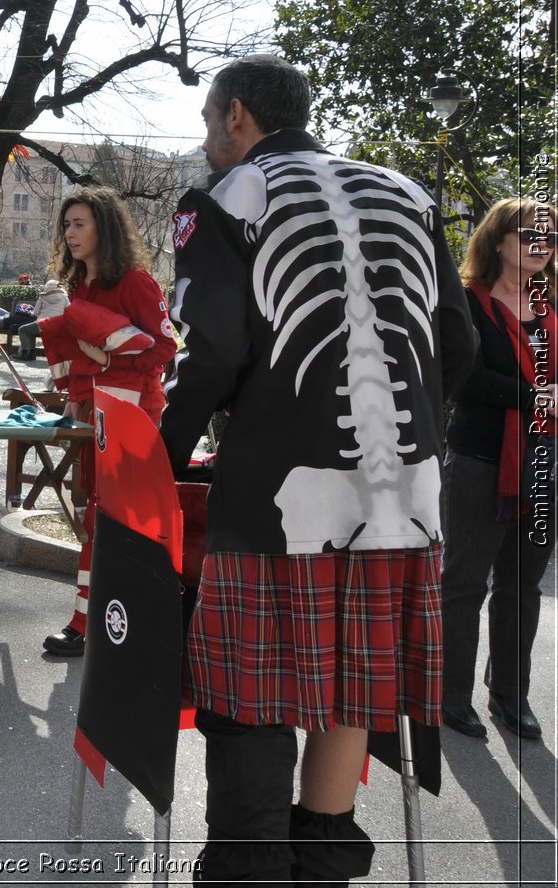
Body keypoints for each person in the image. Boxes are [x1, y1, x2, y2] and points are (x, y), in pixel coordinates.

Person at [160, 54, 476, 884]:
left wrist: (164, 453)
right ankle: (323, 868)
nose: (205, 137)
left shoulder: (222, 200)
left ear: (237, 117)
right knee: (353, 689)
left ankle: (249, 870)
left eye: (206, 119)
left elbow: (214, 350)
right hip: (403, 497)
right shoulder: (410, 194)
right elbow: (462, 343)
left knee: (247, 698)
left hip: (278, 497)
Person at [38, 187, 174, 657]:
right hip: (96, 414)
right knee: (97, 519)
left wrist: (104, 349)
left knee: (116, 521)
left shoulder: (135, 281)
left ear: (104, 229)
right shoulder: (80, 286)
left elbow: (162, 349)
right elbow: (80, 357)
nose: (70, 233)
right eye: (67, 225)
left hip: (132, 416)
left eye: (80, 224)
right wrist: (76, 397)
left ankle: (92, 623)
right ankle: (101, 619)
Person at [440, 197, 555, 740]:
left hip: (542, 464)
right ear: (498, 239)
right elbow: (464, 380)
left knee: (522, 586)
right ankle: (450, 694)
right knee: (463, 583)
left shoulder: (553, 308)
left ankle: (510, 694)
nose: (542, 245)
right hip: (480, 460)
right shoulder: (467, 302)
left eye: (550, 238)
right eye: (530, 233)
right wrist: (537, 398)